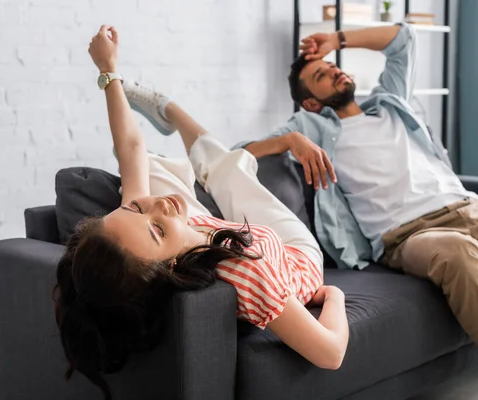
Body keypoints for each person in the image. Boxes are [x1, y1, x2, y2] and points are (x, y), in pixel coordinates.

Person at [239, 23, 478, 400]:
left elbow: (404, 39)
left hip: (474, 209)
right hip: (408, 236)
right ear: (311, 102)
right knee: (458, 252)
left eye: (332, 65)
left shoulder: (390, 103)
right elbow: (234, 153)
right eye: (320, 75)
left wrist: (337, 39)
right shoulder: (311, 127)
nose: (333, 70)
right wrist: (288, 139)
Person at [53, 25, 349, 400]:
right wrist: (334, 296)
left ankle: (172, 116)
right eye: (156, 230)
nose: (157, 207)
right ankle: (174, 112)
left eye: (135, 207)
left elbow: (130, 147)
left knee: (152, 166)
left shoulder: (144, 237)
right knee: (231, 170)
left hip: (203, 232)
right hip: (291, 254)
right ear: (170, 268)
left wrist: (108, 69)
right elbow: (331, 353)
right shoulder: (247, 274)